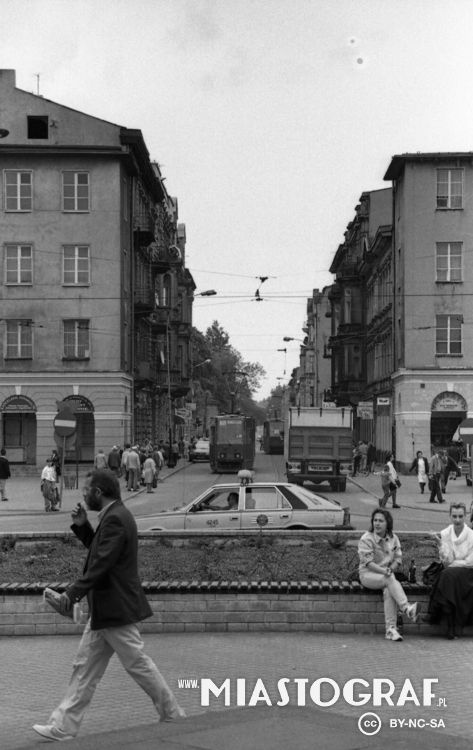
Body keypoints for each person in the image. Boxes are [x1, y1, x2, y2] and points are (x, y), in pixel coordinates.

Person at [32, 469, 185, 742]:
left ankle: (173, 714)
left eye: (86, 490)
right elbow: (101, 552)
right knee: (84, 668)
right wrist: (83, 527)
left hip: (115, 610)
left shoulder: (116, 519)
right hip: (106, 611)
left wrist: (72, 595)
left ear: (98, 493)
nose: (83, 495)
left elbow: (102, 563)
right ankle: (63, 727)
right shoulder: (114, 516)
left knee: (137, 664)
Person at [358, 508, 420, 641]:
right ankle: (406, 608)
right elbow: (368, 563)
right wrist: (384, 571)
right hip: (368, 574)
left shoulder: (393, 538)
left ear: (388, 523)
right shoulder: (366, 539)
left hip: (385, 576)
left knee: (388, 590)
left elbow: (398, 559)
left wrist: (390, 569)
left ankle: (391, 630)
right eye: (375, 520)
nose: (377, 523)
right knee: (389, 579)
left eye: (381, 521)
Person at [426, 502, 473, 639]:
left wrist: (453, 564)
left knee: (446, 576)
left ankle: (440, 618)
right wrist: (440, 544)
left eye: (460, 516)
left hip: (468, 572)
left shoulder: (471, 535)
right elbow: (447, 561)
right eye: (454, 516)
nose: (457, 520)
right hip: (452, 573)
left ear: (465, 516)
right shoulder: (446, 533)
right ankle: (451, 627)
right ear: (450, 516)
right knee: (448, 577)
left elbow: (471, 561)